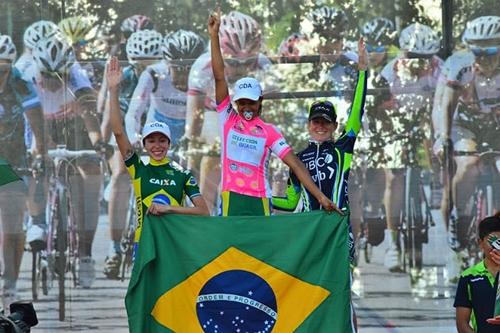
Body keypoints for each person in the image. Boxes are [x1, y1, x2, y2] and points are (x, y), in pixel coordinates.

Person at [208, 8, 339, 216]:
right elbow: (219, 77)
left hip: (261, 201)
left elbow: (295, 164)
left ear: (260, 102)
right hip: (230, 198)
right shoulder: (228, 119)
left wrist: (321, 197)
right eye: (241, 103)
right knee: (229, 250)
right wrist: (214, 36)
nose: (246, 107)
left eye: (251, 102)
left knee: (260, 251)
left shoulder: (269, 131)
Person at [25, 31, 109, 288]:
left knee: (89, 184)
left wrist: (98, 145)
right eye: (47, 76)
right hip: (38, 127)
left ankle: (85, 255)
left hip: (73, 129)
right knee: (35, 167)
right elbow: (29, 127)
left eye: (58, 75)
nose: (52, 82)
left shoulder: (77, 79)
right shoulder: (27, 78)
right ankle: (37, 222)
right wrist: (36, 151)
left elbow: (89, 120)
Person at [272, 36, 367, 255]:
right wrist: (262, 199)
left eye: (326, 122)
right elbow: (290, 202)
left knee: (341, 285)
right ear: (308, 125)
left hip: (338, 229)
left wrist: (362, 72)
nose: (321, 126)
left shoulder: (343, 149)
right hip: (309, 231)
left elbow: (357, 111)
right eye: (316, 121)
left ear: (335, 125)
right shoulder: (297, 159)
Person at [106, 56, 209, 256]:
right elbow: (119, 132)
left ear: (169, 143)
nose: (157, 145)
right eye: (151, 141)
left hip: (173, 249)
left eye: (162, 141)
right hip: (144, 247)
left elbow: (203, 211)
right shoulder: (139, 169)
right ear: (144, 144)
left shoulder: (182, 175)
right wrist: (113, 91)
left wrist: (169, 209)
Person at [186, 10, 272, 213]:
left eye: (248, 62)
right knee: (213, 152)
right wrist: (192, 151)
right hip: (213, 113)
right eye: (233, 63)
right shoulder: (203, 67)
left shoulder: (264, 65)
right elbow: (194, 119)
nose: (241, 69)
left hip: (249, 117)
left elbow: (271, 116)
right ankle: (205, 211)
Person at [432, 16, 500, 253]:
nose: (483, 58)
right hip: (463, 121)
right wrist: (443, 137)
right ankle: (459, 214)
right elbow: (446, 106)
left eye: (491, 50)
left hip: (495, 121)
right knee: (469, 162)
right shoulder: (459, 64)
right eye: (477, 51)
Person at [379, 23, 443, 272]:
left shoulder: (439, 68)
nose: (420, 62)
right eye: (414, 57)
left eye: (425, 58)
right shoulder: (390, 71)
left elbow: (445, 103)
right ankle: (393, 245)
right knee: (393, 178)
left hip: (428, 122)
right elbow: (380, 111)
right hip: (396, 125)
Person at [100, 28, 163, 279]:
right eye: (139, 65)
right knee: (120, 176)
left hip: (155, 134)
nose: (143, 70)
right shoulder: (123, 78)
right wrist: (105, 141)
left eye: (149, 64)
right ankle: (113, 248)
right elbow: (110, 113)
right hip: (127, 133)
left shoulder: (162, 77)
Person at [0, 34, 45, 309]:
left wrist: (41, 152)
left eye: (4, 68)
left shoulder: (21, 83)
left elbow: (37, 124)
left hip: (11, 159)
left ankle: (11, 283)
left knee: (12, 221)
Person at [125, 29, 206, 147]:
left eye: (190, 69)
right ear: (167, 63)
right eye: (177, 69)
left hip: (191, 129)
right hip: (158, 129)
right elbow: (133, 113)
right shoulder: (153, 74)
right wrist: (134, 139)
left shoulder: (206, 75)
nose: (184, 76)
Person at [454, 214, 500, 333]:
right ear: (480, 243)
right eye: (493, 241)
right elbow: (462, 324)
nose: (497, 247)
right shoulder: (468, 277)